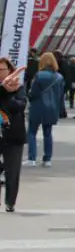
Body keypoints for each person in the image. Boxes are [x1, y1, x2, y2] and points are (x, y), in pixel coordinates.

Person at [26, 52, 65, 168]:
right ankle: (47, 159)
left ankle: (31, 158)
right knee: (47, 133)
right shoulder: (59, 77)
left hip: (38, 107)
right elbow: (61, 95)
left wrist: (29, 95)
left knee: (32, 132)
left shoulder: (39, 75)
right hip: (52, 108)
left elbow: (33, 93)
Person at [0, 58, 27, 212]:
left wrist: (7, 96)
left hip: (13, 134)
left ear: (10, 70)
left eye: (3, 70)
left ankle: (10, 202)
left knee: (13, 171)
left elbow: (20, 106)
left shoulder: (18, 87)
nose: (0, 74)